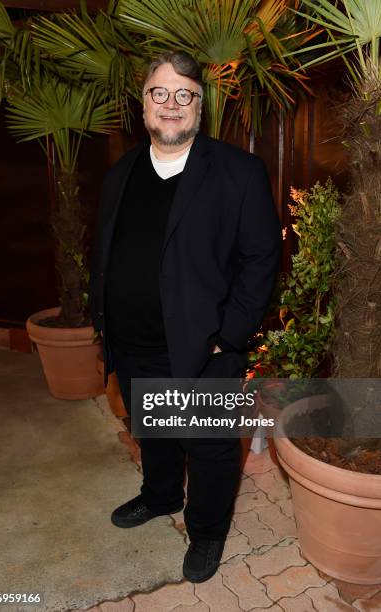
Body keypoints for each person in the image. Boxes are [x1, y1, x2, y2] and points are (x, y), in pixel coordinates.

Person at [89, 50, 282, 583]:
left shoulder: (237, 172)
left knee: (212, 448)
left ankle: (207, 530)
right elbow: (103, 250)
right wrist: (102, 317)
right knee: (151, 430)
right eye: (159, 93)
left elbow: (261, 259)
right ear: (143, 105)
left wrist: (229, 335)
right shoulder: (122, 171)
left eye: (184, 95)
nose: (170, 105)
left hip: (202, 349)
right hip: (131, 341)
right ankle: (160, 495)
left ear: (200, 106)